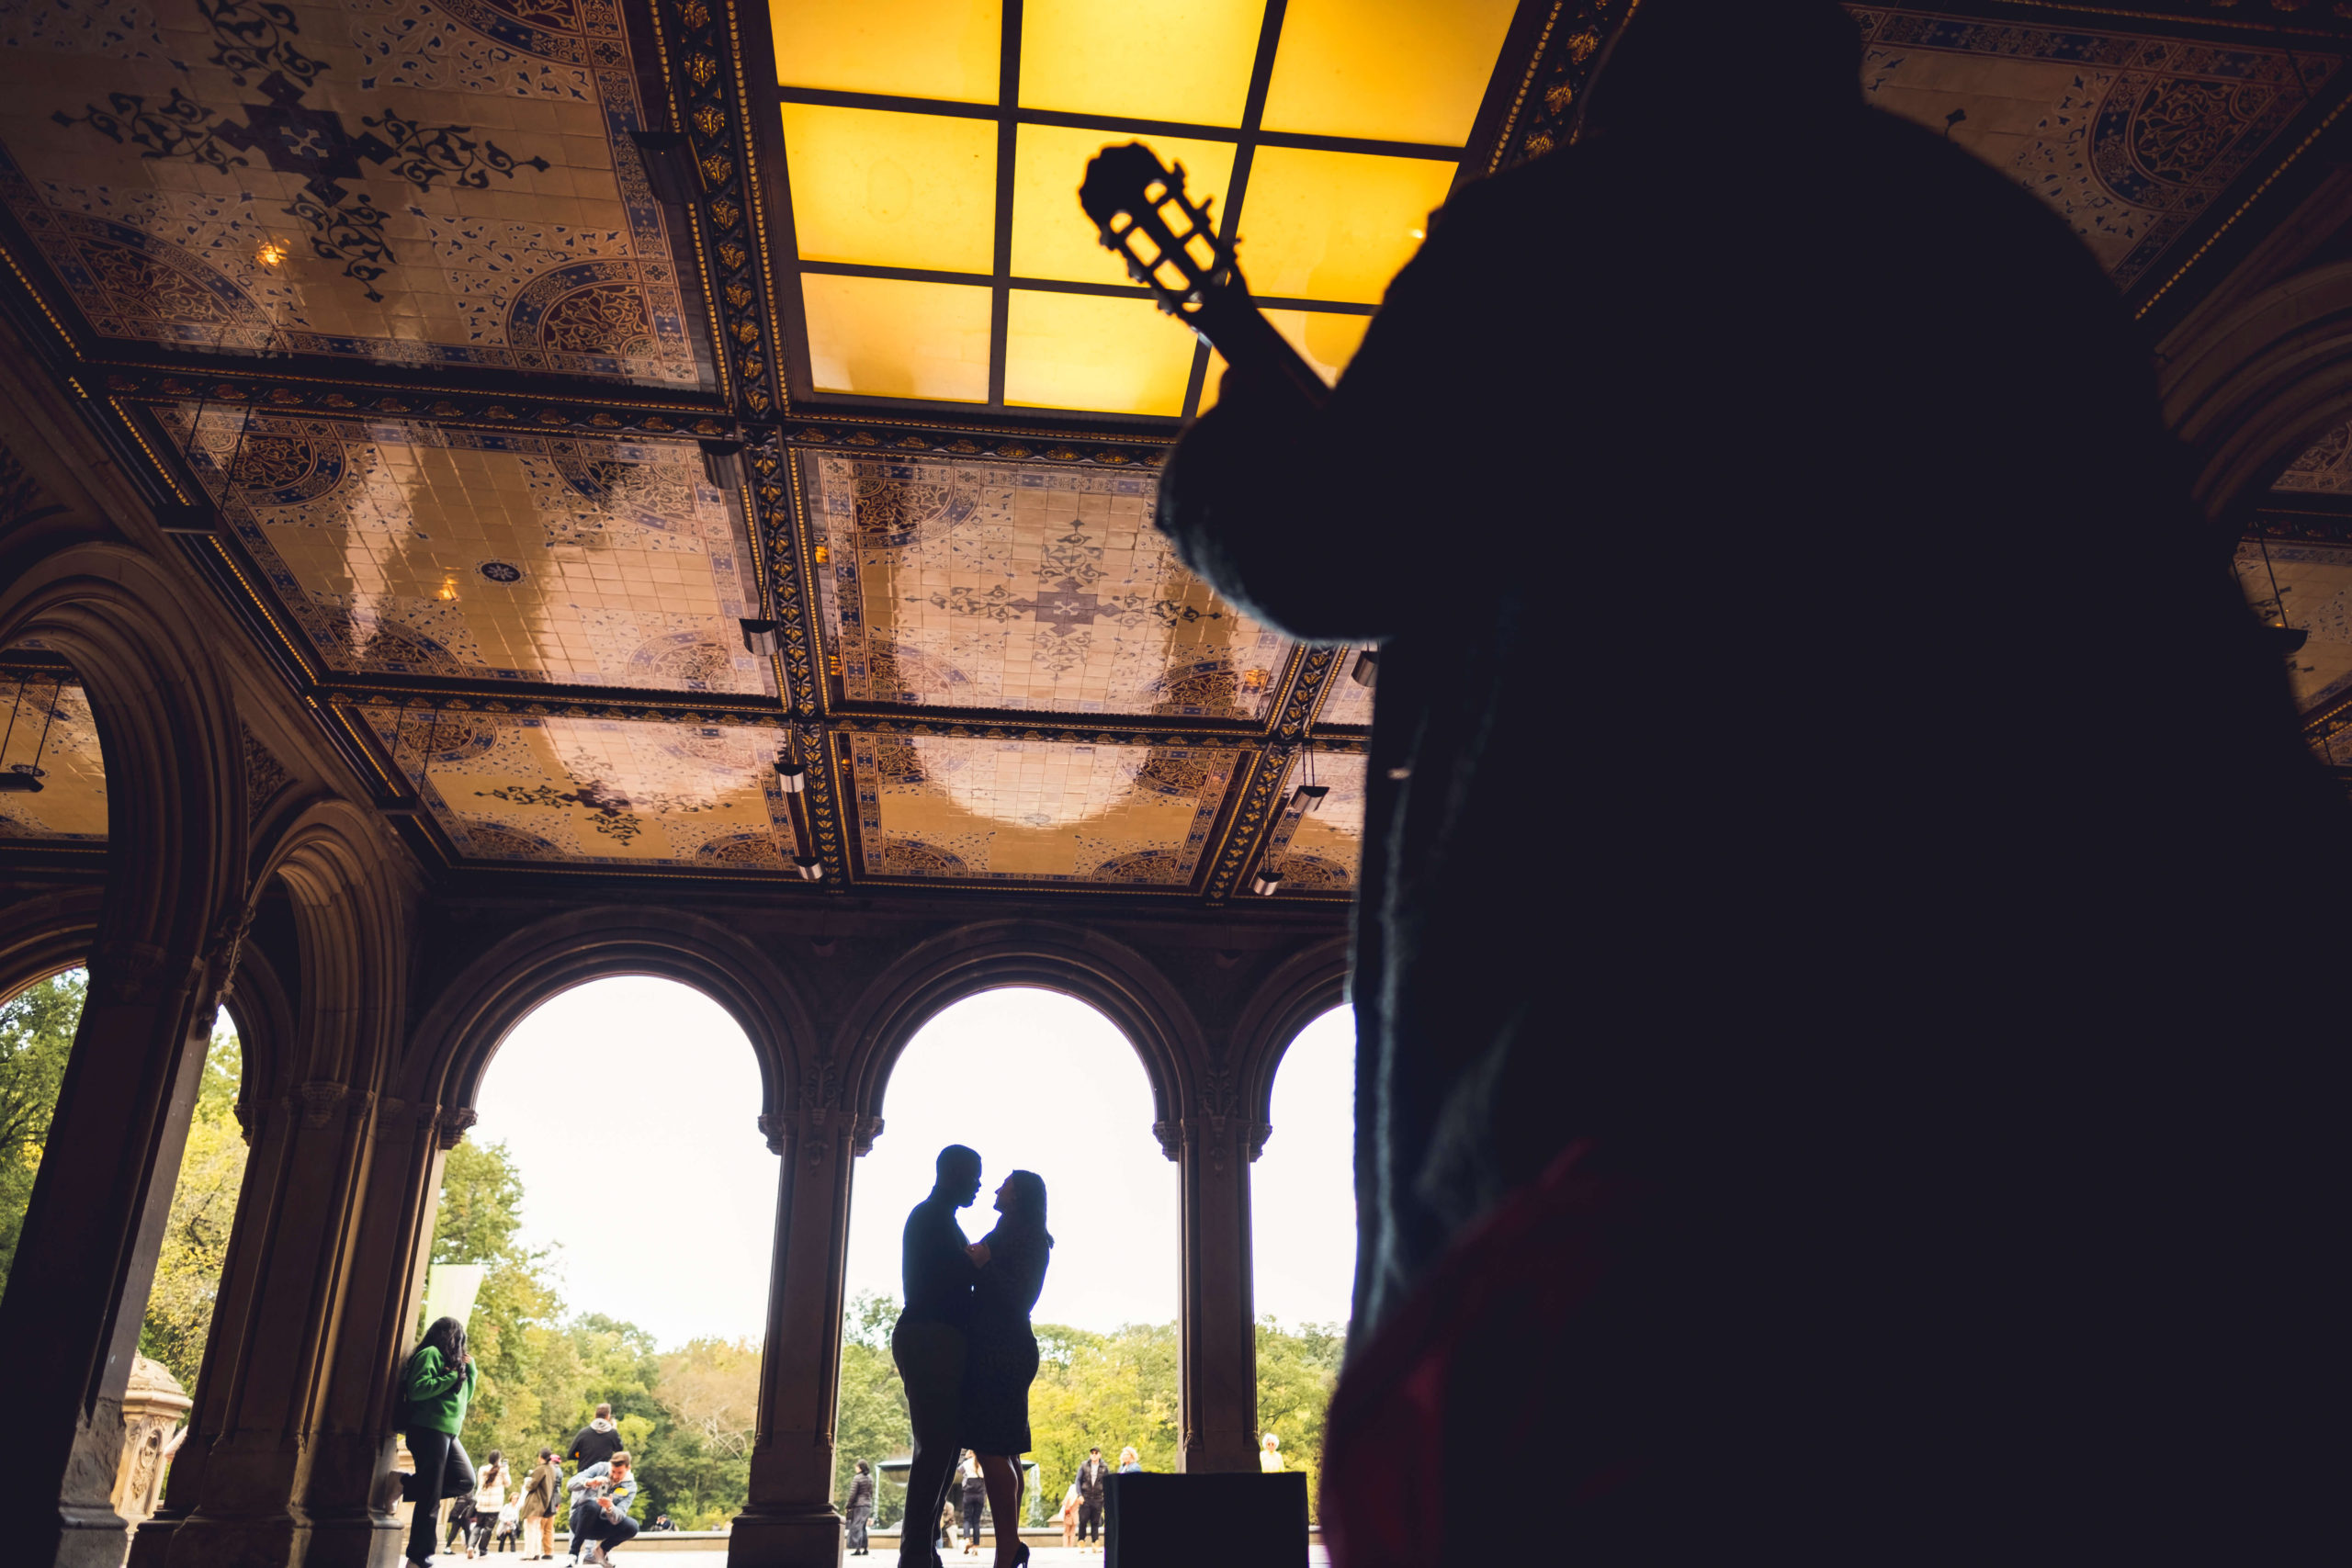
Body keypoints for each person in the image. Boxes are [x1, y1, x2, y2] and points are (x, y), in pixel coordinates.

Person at [1155, 0, 2352, 1558]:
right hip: (2043, 1099)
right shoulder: (2009, 251)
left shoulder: (1554, 231)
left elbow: (1339, 540)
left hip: (1638, 1102)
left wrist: (1217, 472)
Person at [892, 1144, 983, 1568]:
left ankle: (922, 1549)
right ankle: (914, 1554)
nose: (979, 1184)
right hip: (928, 1338)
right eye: (974, 1175)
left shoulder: (940, 1221)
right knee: (935, 1449)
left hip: (933, 1338)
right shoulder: (930, 1219)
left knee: (943, 1449)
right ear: (954, 1173)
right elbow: (951, 1277)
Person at [961, 1169, 1051, 1568]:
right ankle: (1009, 1548)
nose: (997, 1188)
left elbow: (1021, 1299)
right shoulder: (1008, 1231)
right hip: (1003, 1347)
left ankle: (1008, 1549)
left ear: (1019, 1196)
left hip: (1004, 1350)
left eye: (1005, 1184)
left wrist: (984, 1265)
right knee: (1007, 1451)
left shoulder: (1030, 1239)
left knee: (991, 1447)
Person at [395, 1315, 480, 1568]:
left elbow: (465, 1397)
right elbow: (418, 1389)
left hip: (448, 1432)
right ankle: (419, 1557)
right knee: (430, 1497)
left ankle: (403, 1484)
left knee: (465, 1480)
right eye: (458, 1338)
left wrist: (470, 1371)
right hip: (428, 1428)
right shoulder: (431, 1354)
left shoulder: (454, 1364)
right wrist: (450, 1378)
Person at [566, 1450, 639, 1565]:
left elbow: (620, 1515)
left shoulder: (630, 1487)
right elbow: (570, 1484)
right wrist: (590, 1482)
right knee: (592, 1506)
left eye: (619, 1473)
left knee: (632, 1526)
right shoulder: (600, 1468)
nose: (615, 1476)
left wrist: (610, 1507)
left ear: (628, 1468)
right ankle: (573, 1554)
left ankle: (602, 1550)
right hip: (580, 1520)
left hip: (603, 1525)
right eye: (613, 1471)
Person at [518, 1448, 563, 1560]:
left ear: (540, 1457)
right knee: (537, 1528)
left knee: (530, 1528)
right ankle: (536, 1551)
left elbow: (531, 1485)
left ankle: (529, 1553)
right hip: (544, 1502)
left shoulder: (540, 1469)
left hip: (535, 1501)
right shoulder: (551, 1469)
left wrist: (527, 1483)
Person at [567, 1404, 625, 1477]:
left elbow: (570, 1455)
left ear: (595, 1415)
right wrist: (614, 1430)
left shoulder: (583, 1432)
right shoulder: (612, 1433)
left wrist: (583, 1455)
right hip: (602, 1477)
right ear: (608, 1416)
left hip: (584, 1476)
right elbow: (619, 1449)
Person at [470, 1450, 508, 1556]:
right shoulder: (502, 1470)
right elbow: (508, 1483)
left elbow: (480, 1483)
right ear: (499, 1459)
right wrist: (505, 1469)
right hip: (494, 1504)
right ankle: (482, 1549)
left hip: (482, 1501)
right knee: (488, 1528)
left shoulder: (482, 1469)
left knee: (478, 1525)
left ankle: (470, 1546)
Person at [1073, 1448, 1107, 1552]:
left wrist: (1106, 1497)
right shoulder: (1084, 1465)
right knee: (1083, 1521)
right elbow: (1078, 1480)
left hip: (1098, 1497)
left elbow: (1107, 1483)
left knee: (1095, 1522)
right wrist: (1079, 1495)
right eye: (1092, 1453)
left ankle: (1095, 1542)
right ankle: (1081, 1541)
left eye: (1096, 1453)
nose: (1094, 1455)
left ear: (1100, 1455)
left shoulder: (1104, 1467)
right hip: (1086, 1496)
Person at [845, 1459, 877, 1556]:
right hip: (867, 1505)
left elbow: (852, 1494)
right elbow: (871, 1493)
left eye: (856, 1466)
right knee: (863, 1527)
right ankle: (865, 1548)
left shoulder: (857, 1478)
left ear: (860, 1467)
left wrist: (848, 1505)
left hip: (859, 1505)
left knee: (857, 1527)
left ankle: (858, 1549)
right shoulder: (870, 1478)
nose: (855, 1468)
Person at [956, 1456, 987, 1557]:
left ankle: (967, 1540)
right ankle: (975, 1548)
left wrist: (965, 1459)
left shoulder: (967, 1463)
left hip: (968, 1495)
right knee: (976, 1521)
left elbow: (959, 1470)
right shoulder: (983, 1461)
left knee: (967, 1520)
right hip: (980, 1495)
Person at [1057, 1482, 1080, 1550]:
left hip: (1068, 1516)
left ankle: (1065, 1546)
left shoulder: (1069, 1496)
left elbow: (1064, 1503)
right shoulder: (1077, 1498)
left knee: (1066, 1533)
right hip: (1075, 1517)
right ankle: (1071, 1546)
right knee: (1073, 1532)